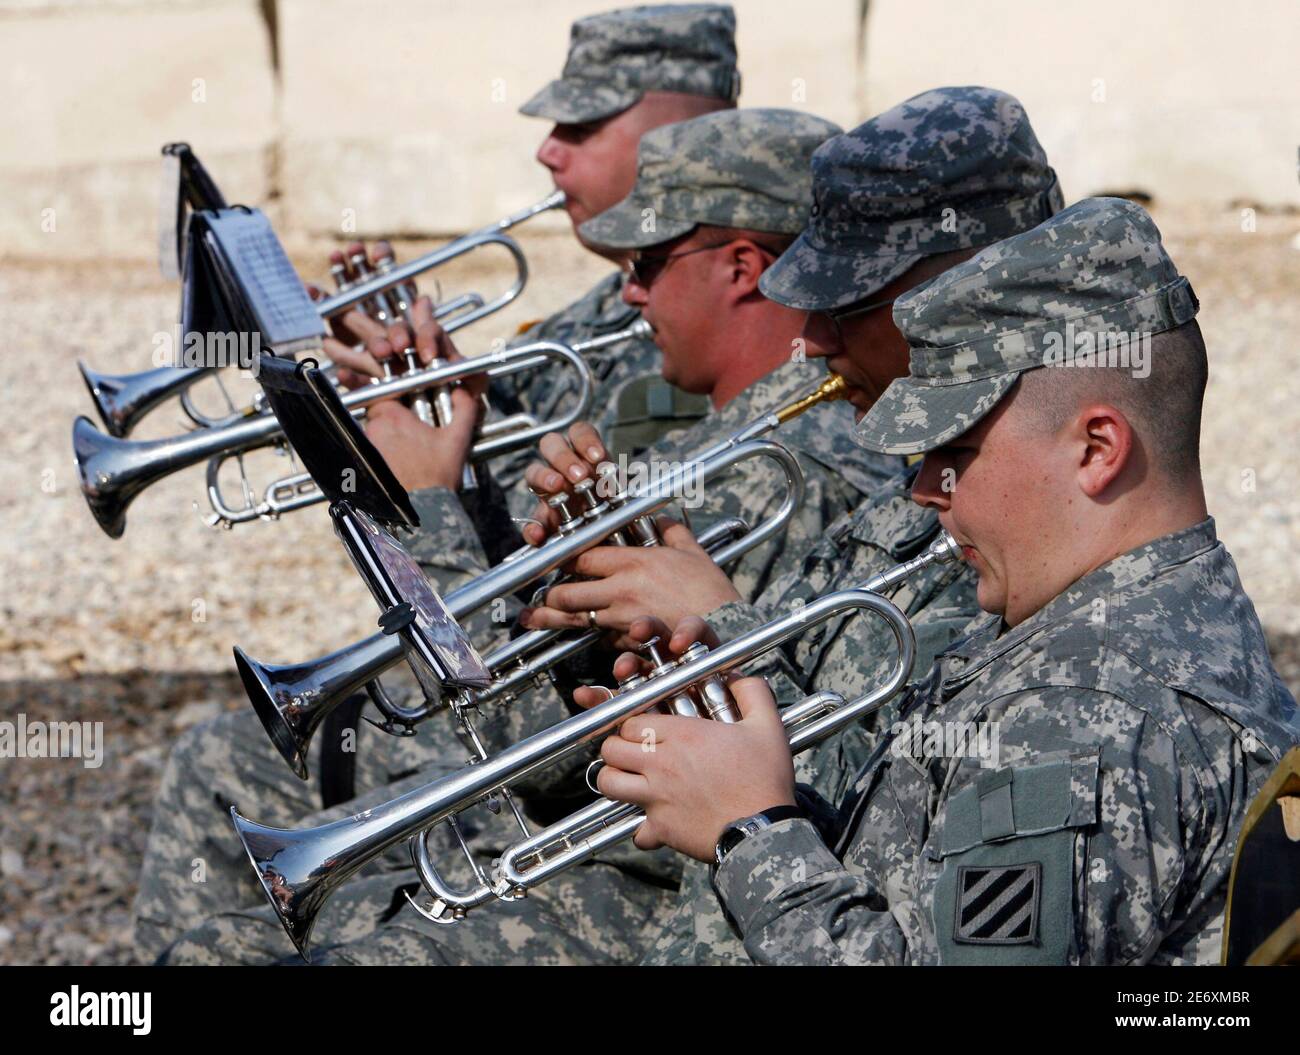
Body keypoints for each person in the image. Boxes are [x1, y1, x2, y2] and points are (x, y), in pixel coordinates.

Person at [156, 88, 1069, 967]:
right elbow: (589, 730)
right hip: (626, 845)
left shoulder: (848, 470)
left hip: (662, 889)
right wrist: (562, 585)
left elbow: (826, 781)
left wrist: (438, 505)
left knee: (225, 908)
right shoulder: (873, 465)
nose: (818, 332)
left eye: (646, 263)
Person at [131, 2, 743, 962]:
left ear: (691, 121)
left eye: (584, 123)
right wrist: (384, 405)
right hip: (521, 717)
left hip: (570, 781)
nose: (546, 149)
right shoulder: (605, 311)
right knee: (214, 767)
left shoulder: (725, 374)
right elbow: (501, 524)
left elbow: (552, 706)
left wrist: (430, 501)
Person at [589, 197, 1300, 965]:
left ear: (1097, 449)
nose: (925, 488)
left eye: (954, 451)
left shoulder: (1082, 709)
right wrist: (735, 769)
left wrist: (752, 832)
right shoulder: (1124, 618)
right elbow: (916, 889)